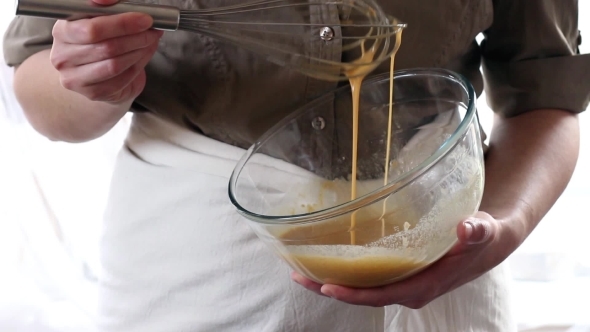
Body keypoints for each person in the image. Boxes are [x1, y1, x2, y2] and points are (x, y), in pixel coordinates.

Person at [3, 0, 590, 331]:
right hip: (200, 279)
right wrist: (92, 78)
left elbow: (547, 92)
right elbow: (39, 82)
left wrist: (505, 226)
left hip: (446, 247)